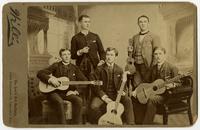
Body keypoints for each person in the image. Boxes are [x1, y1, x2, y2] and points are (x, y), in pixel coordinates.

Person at [37, 49, 88, 124]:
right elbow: (40, 73)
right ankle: (63, 126)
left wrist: (76, 91)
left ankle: (77, 125)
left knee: (79, 100)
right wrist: (50, 79)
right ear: (61, 56)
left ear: (70, 55)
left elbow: (85, 82)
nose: (67, 56)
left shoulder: (75, 68)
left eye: (68, 54)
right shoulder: (56, 65)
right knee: (59, 102)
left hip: (67, 93)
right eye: (64, 54)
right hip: (54, 92)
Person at [131, 47, 179, 124]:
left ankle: (146, 125)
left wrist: (172, 85)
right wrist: (136, 90)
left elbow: (178, 83)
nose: (158, 56)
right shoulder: (153, 68)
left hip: (166, 95)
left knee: (151, 99)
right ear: (154, 56)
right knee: (136, 96)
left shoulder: (172, 68)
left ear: (165, 55)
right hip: (154, 92)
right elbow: (144, 81)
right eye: (156, 54)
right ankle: (138, 123)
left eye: (160, 54)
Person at [89, 47, 135, 125]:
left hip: (115, 94)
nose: (109, 57)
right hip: (102, 94)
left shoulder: (119, 69)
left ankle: (131, 123)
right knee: (94, 106)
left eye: (111, 55)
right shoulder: (99, 69)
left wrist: (123, 91)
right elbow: (96, 86)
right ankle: (103, 122)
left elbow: (122, 85)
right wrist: (104, 97)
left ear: (115, 57)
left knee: (128, 100)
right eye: (107, 54)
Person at [130, 15, 161, 84]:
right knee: (136, 84)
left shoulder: (154, 37)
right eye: (140, 22)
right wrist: (129, 52)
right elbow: (131, 54)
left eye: (145, 22)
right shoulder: (135, 37)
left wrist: (152, 68)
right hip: (136, 66)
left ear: (148, 23)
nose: (143, 23)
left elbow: (157, 54)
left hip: (147, 66)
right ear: (138, 24)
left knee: (147, 85)